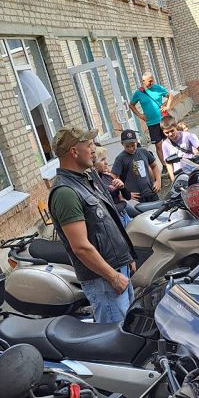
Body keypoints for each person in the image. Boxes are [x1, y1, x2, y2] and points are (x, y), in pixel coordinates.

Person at [48, 126, 135, 323]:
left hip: (117, 270)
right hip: (104, 280)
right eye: (89, 145)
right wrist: (113, 276)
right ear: (74, 151)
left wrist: (126, 257)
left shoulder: (86, 179)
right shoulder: (65, 192)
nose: (94, 149)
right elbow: (81, 247)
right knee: (115, 336)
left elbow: (109, 222)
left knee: (129, 331)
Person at [129, 72, 172, 165]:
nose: (151, 83)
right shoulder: (139, 93)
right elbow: (131, 105)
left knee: (168, 141)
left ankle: (172, 160)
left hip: (163, 120)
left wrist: (167, 106)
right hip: (151, 123)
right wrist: (140, 115)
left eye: (152, 81)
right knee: (158, 145)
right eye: (149, 81)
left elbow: (170, 95)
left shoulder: (158, 88)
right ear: (143, 81)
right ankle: (164, 165)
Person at [111, 129, 161, 203]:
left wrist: (158, 181)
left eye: (133, 145)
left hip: (151, 192)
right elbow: (113, 178)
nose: (131, 148)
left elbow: (154, 166)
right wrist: (126, 194)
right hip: (136, 198)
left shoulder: (143, 152)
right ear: (122, 144)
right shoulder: (120, 159)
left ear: (137, 141)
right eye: (127, 146)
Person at [94, 147, 132, 226]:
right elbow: (108, 209)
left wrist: (122, 187)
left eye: (106, 159)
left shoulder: (108, 177)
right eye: (102, 160)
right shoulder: (93, 183)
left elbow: (128, 196)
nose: (106, 162)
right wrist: (123, 203)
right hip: (114, 221)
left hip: (124, 215)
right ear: (93, 164)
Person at [161, 114, 199, 179]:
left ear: (176, 127)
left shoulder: (187, 136)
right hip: (179, 173)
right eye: (167, 132)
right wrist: (173, 179)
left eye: (172, 131)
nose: (170, 134)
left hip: (193, 168)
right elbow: (168, 163)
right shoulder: (165, 144)